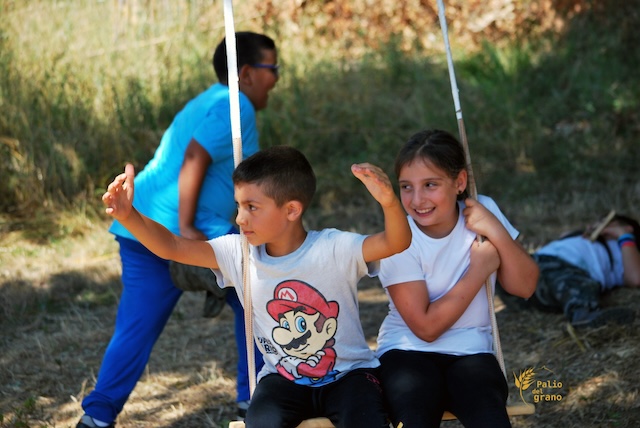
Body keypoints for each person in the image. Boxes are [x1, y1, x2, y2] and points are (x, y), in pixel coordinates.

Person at [101, 145, 412, 428]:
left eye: (252, 207)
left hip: (350, 376)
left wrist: (389, 202)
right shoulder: (238, 253)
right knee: (261, 421)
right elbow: (172, 246)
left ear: (291, 210)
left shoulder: (333, 248)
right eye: (238, 205)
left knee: (366, 420)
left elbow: (396, 242)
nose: (240, 218)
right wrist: (129, 216)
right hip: (283, 380)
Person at [77, 32, 279, 428]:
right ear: (246, 73)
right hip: (178, 227)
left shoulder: (208, 99)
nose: (277, 78)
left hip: (140, 223)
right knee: (257, 297)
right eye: (273, 69)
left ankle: (97, 417)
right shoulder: (236, 103)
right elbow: (194, 157)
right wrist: (186, 226)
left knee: (135, 328)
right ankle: (253, 401)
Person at [375, 129, 539, 428]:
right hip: (406, 352)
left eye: (430, 184)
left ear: (460, 182)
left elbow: (525, 287)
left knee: (489, 414)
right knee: (413, 412)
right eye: (406, 187)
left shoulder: (482, 210)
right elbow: (426, 329)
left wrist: (496, 231)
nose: (417, 199)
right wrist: (479, 270)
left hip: (471, 352)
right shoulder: (399, 238)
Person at [529, 213, 640, 327]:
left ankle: (583, 314)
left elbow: (635, 278)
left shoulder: (625, 250)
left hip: (565, 273)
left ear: (628, 228)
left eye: (606, 222)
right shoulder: (584, 236)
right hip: (537, 262)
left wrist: (624, 235)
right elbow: (564, 236)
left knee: (573, 283)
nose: (599, 224)